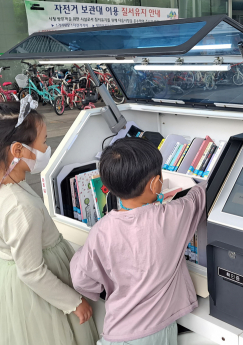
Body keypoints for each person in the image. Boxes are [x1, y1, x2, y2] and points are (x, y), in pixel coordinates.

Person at [0, 99, 98, 345]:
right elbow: (32, 272)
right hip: (36, 291)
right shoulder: (20, 207)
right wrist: (74, 302)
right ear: (17, 150)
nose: (47, 149)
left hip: (8, 279)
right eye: (43, 142)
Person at [70, 137, 207, 345]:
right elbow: (198, 197)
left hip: (116, 331)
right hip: (155, 333)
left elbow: (82, 279)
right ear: (155, 183)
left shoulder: (101, 230)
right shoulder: (170, 216)